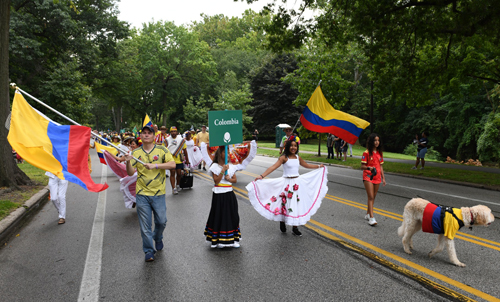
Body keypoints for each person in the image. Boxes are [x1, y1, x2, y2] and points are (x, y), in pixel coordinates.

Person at [247, 139, 327, 236]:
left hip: (297, 184)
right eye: (291, 145)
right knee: (284, 204)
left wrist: (319, 166)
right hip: (286, 183)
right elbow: (273, 167)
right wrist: (262, 176)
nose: (293, 148)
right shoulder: (284, 158)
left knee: (296, 204)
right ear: (288, 146)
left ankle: (295, 227)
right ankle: (282, 221)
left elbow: (306, 165)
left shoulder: (298, 157)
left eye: (295, 146)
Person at [124, 125, 175, 262]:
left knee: (161, 221)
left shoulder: (161, 150)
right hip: (142, 194)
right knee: (145, 226)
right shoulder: (135, 153)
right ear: (140, 136)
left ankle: (158, 237)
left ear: (153, 136)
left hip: (159, 193)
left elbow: (172, 164)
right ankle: (148, 250)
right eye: (144, 133)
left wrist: (156, 165)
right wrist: (128, 162)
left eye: (149, 133)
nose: (146, 135)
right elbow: (129, 173)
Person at [204, 147, 241, 248]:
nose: (228, 155)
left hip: (229, 193)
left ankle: (234, 239)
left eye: (228, 153)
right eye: (225, 152)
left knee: (232, 215)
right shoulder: (214, 166)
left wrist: (229, 178)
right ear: (219, 154)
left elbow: (235, 180)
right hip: (219, 194)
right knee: (218, 215)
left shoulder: (231, 166)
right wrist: (222, 171)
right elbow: (216, 181)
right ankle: (216, 239)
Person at [361, 133, 386, 226]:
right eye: (375, 140)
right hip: (368, 177)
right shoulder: (366, 153)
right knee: (371, 196)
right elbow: (362, 166)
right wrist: (369, 168)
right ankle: (371, 218)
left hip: (377, 177)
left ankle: (368, 213)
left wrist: (383, 178)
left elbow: (381, 166)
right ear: (371, 141)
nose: (377, 142)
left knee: (373, 197)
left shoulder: (380, 153)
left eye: (378, 140)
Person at [166, 126, 190, 195]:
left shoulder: (181, 140)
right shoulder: (167, 140)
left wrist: (187, 160)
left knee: (179, 174)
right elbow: (164, 150)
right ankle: (173, 188)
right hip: (170, 159)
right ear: (170, 132)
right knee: (172, 173)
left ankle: (178, 185)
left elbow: (185, 150)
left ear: (176, 132)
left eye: (174, 131)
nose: (173, 133)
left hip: (179, 159)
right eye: (172, 131)